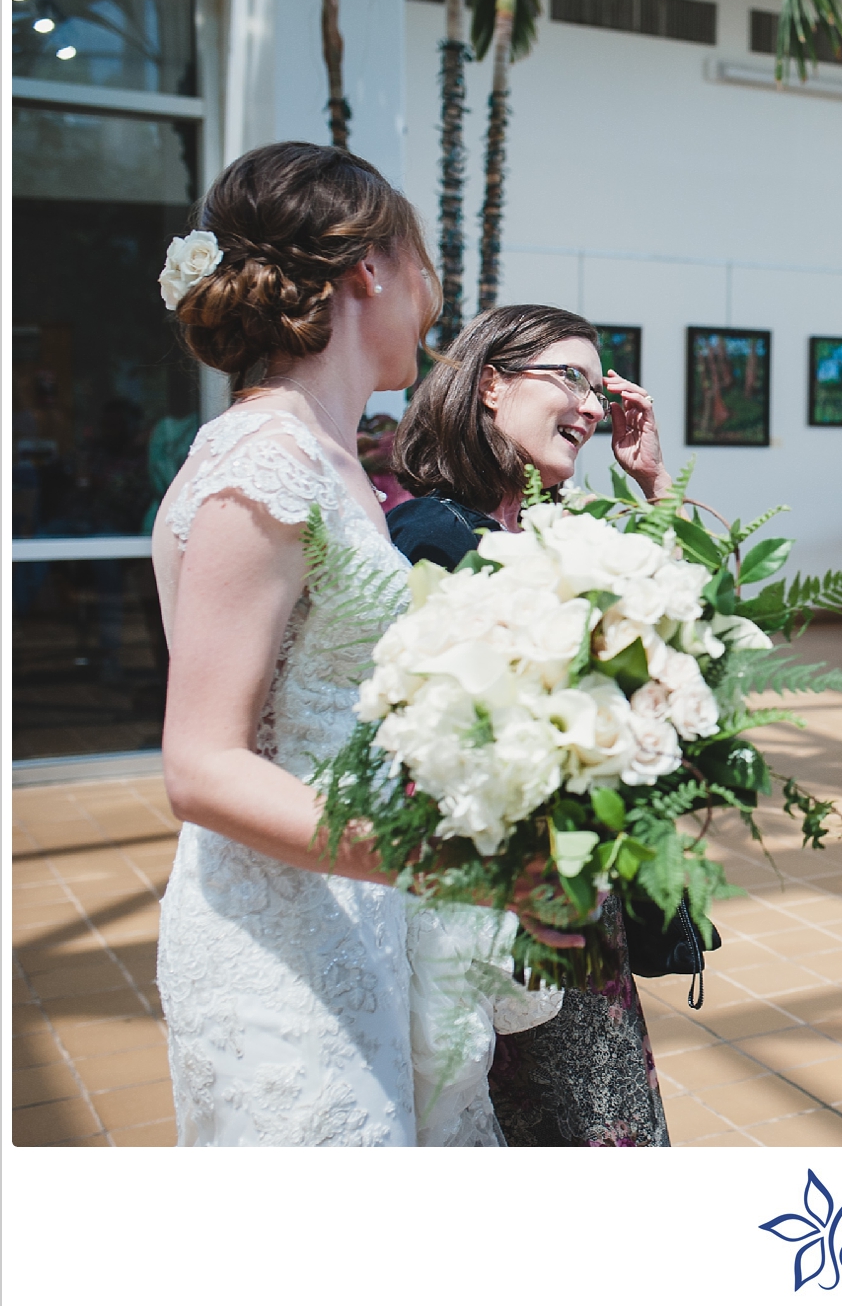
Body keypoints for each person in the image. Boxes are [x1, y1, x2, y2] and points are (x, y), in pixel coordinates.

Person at [149, 141, 565, 1146]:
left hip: (359, 904)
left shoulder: (329, 455)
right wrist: (459, 867)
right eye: (425, 265)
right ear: (369, 269)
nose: (434, 298)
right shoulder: (265, 458)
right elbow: (201, 766)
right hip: (280, 944)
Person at [389, 303, 674, 1147]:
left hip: (582, 894)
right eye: (571, 379)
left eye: (601, 384)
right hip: (496, 906)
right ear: (489, 385)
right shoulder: (430, 536)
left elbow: (703, 612)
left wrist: (654, 485)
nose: (592, 406)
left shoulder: (564, 525)